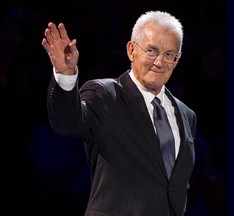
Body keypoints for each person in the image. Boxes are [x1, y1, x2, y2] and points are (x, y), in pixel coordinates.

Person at [41, 10, 197, 216]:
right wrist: (65, 75)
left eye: (169, 54)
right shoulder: (105, 95)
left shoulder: (186, 115)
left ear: (177, 59)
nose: (159, 62)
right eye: (151, 51)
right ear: (131, 50)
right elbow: (67, 122)